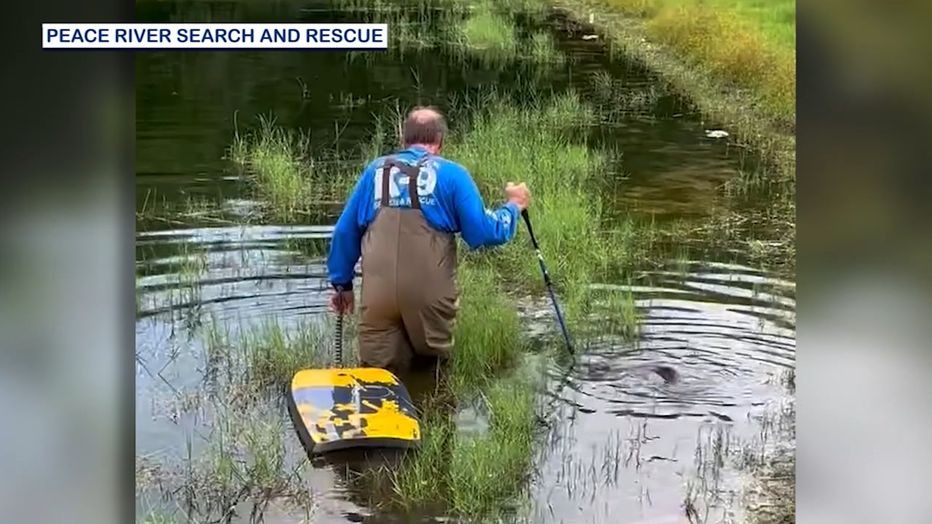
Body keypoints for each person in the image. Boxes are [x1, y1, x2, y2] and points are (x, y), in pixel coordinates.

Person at [326, 106, 531, 377]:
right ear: (440, 141)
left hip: (378, 297)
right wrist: (513, 207)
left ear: (403, 140)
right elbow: (482, 232)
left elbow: (344, 232)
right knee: (431, 371)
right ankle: (431, 401)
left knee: (376, 377)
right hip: (429, 298)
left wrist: (342, 285)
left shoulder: (374, 171)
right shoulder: (453, 174)